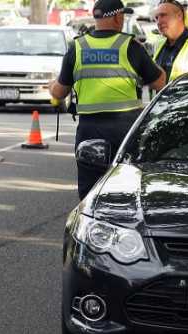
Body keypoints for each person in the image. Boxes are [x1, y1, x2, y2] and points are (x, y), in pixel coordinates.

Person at [49, 0, 166, 200]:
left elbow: (59, 92)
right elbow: (160, 82)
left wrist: (52, 84)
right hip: (125, 131)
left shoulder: (77, 47)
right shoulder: (130, 46)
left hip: (89, 131)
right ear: (117, 17)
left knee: (90, 192)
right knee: (126, 187)